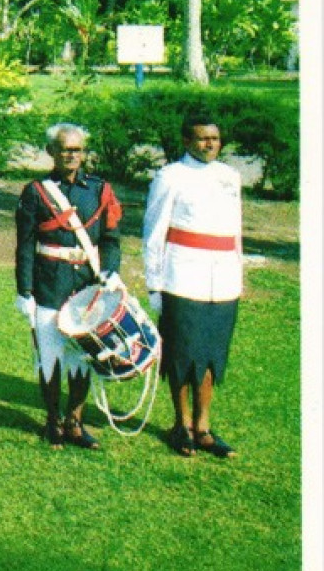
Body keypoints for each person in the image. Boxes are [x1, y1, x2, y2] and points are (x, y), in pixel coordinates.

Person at [15, 123, 123, 451]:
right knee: (50, 356)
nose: (71, 155)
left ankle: (75, 421)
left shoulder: (99, 190)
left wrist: (111, 271)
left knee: (81, 358)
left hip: (86, 286)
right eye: (64, 149)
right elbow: (25, 245)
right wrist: (25, 291)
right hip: (49, 283)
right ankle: (52, 420)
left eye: (76, 150)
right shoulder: (36, 192)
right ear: (51, 152)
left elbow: (111, 238)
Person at [143, 113, 245, 460]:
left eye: (214, 138)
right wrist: (154, 285)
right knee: (183, 354)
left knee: (213, 355)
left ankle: (204, 427)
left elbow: (235, 233)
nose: (210, 144)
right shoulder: (171, 176)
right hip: (182, 277)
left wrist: (238, 276)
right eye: (202, 139)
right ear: (188, 141)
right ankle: (181, 425)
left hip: (223, 280)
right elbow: (154, 233)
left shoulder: (229, 177)